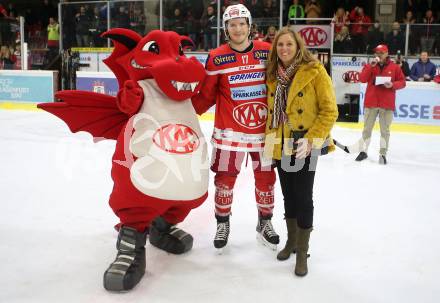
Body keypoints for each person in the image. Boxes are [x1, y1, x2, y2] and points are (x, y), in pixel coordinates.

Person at [191, 4, 279, 251]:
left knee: (267, 180)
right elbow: (206, 96)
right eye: (232, 24)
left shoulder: (267, 51)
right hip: (229, 133)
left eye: (241, 23)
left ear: (250, 26)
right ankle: (222, 222)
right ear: (225, 29)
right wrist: (182, 111)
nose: (237, 28)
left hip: (266, 132)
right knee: (224, 181)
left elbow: (282, 87)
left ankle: (265, 223)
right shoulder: (217, 56)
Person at [264, 27, 338, 276]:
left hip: (305, 142)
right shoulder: (273, 74)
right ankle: (291, 241)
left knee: (304, 197)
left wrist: (312, 139)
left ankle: (302, 252)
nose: (284, 49)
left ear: (298, 47)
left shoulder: (315, 71)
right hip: (281, 142)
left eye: (289, 45)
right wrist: (269, 145)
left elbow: (330, 110)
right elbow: (272, 114)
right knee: (288, 196)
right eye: (280, 45)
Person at [355, 44, 406, 164]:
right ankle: (363, 151)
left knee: (385, 131)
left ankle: (383, 154)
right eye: (377, 53)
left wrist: (393, 85)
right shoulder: (370, 65)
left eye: (381, 53)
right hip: (371, 102)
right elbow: (362, 79)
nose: (378, 55)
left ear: (387, 53)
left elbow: (403, 82)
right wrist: (370, 66)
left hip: (386, 104)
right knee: (366, 129)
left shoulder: (395, 67)